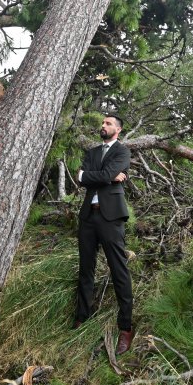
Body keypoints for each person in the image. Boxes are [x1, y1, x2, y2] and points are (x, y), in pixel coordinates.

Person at [74, 114, 133, 355]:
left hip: (111, 218)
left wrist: (92, 176)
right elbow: (82, 178)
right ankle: (81, 318)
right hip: (88, 216)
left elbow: (90, 176)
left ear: (117, 129)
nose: (103, 126)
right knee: (85, 268)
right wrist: (106, 176)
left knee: (119, 270)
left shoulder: (123, 152)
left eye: (108, 123)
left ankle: (126, 328)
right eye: (103, 123)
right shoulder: (92, 152)